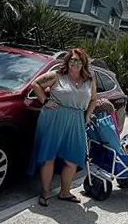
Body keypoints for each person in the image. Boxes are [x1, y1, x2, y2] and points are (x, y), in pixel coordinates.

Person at [29, 48, 97, 206]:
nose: (75, 63)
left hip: (76, 120)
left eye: (79, 60)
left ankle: (65, 192)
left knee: (72, 159)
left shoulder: (90, 80)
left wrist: (87, 115)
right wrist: (45, 101)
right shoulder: (58, 75)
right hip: (54, 117)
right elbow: (35, 84)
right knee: (48, 157)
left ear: (84, 63)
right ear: (68, 61)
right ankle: (45, 192)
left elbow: (94, 99)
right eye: (72, 60)